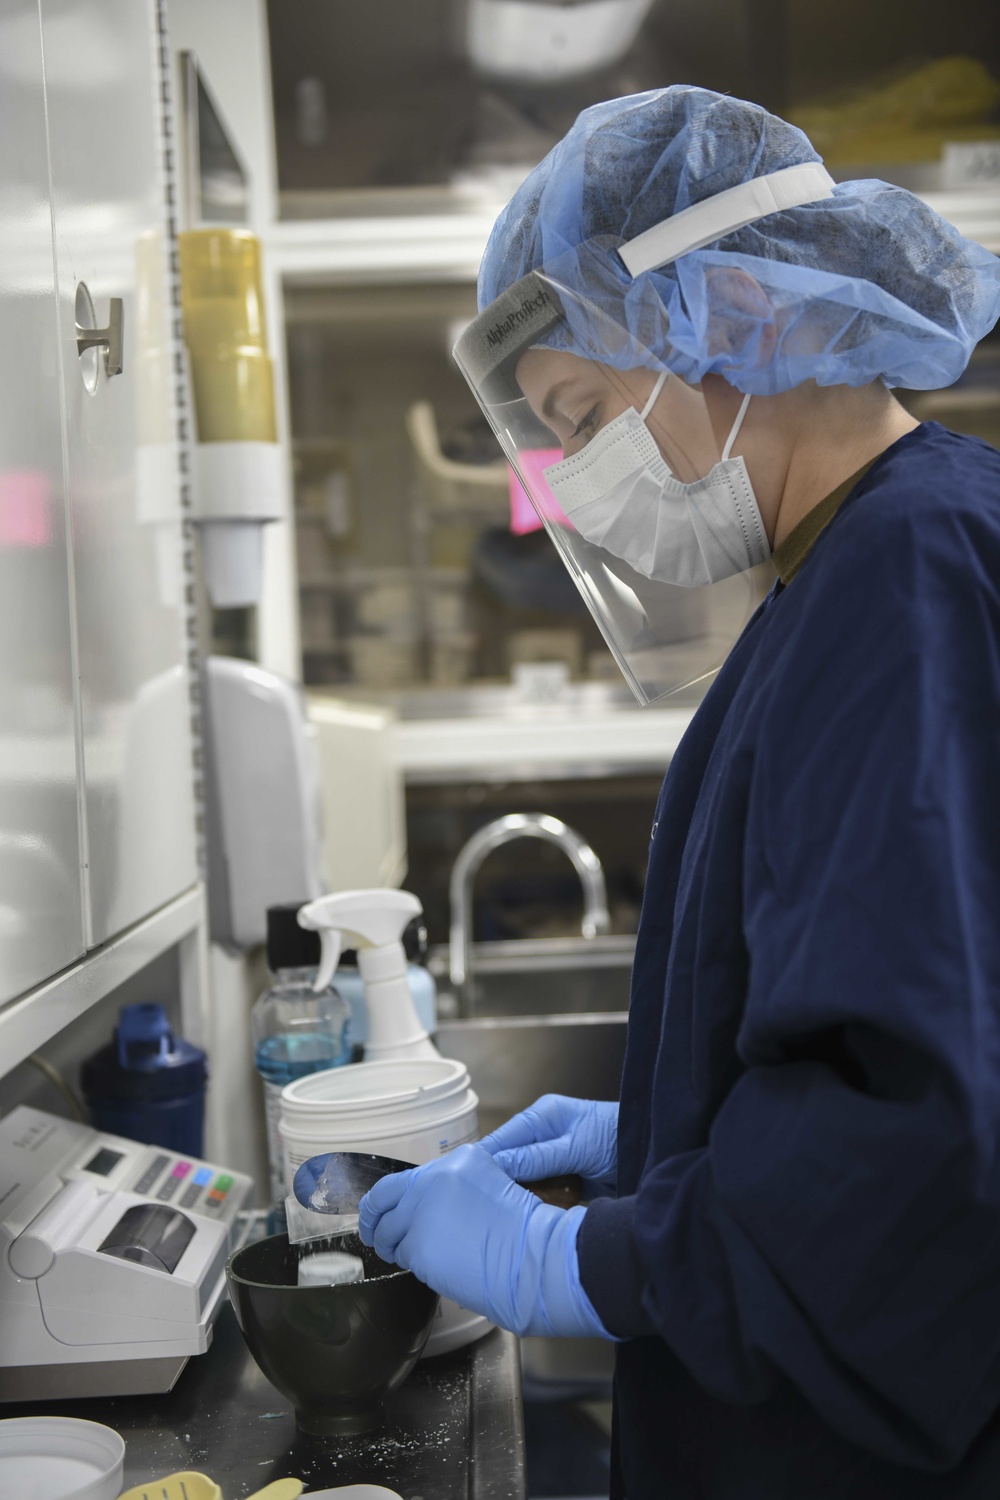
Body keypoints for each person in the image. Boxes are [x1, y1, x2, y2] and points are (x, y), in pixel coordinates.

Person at [359, 86, 1000, 1497]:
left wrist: (577, 1258)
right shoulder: (843, 572)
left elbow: (908, 1137)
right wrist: (664, 1129)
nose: (577, 488)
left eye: (583, 413)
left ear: (740, 318)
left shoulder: (904, 580)